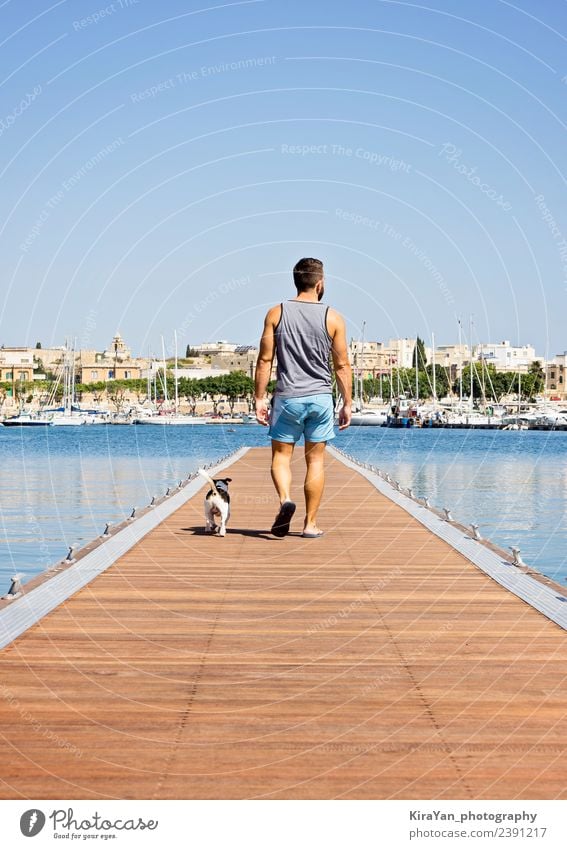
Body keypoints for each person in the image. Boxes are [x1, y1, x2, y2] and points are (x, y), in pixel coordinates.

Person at [254, 257, 352, 538]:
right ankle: (309, 525)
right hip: (320, 397)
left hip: (287, 397)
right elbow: (342, 365)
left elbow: (264, 359)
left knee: (281, 457)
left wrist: (260, 399)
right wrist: (347, 402)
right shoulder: (333, 318)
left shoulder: (276, 313)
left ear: (295, 281)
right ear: (320, 283)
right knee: (316, 461)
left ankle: (286, 500)